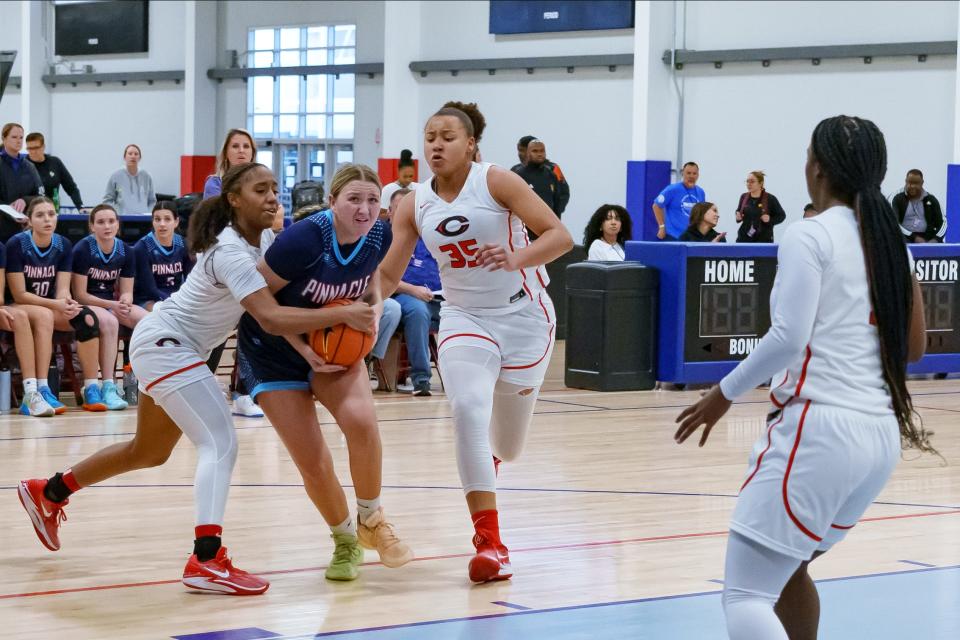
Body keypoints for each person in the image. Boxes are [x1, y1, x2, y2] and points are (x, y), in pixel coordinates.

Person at [17, 162, 365, 595]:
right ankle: (206, 559)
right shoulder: (231, 252)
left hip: (170, 345)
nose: (273, 196)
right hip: (168, 344)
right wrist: (347, 312)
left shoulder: (268, 240)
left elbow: (270, 311)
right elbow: (271, 318)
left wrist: (308, 349)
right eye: (261, 189)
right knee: (220, 442)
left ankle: (48, 491)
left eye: (275, 188)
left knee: (147, 452)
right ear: (235, 200)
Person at [674, 115, 932, 639]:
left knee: (746, 596)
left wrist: (722, 394)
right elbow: (917, 348)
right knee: (789, 567)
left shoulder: (808, 234)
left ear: (817, 168)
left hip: (819, 431)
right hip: (878, 438)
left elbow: (788, 338)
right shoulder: (891, 243)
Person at [378, 101, 574, 583]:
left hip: (525, 318)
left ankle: (486, 461)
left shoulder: (497, 181)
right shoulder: (413, 202)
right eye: (430, 136)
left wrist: (515, 256)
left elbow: (561, 236)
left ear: (470, 144)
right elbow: (389, 271)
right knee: (466, 407)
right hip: (465, 317)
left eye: (447, 136)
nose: (436, 144)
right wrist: (355, 310)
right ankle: (490, 543)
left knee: (508, 446)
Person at [237, 163, 413, 582]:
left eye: (372, 200)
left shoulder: (379, 234)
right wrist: (304, 347)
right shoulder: (302, 240)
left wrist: (370, 305)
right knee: (314, 460)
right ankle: (345, 541)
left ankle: (372, 520)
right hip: (274, 349)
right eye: (353, 198)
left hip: (331, 346)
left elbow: (373, 276)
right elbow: (260, 306)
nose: (364, 208)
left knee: (363, 424)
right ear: (332, 202)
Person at [6, 197, 103, 414]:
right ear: (29, 220)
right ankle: (40, 388)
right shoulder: (17, 244)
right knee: (45, 315)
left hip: (49, 305)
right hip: (20, 304)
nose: (47, 219)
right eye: (40, 215)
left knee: (86, 318)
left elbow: (62, 287)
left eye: (51, 214)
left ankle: (91, 387)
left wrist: (65, 302)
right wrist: (56, 304)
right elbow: (20, 294)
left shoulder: (63, 244)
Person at [71, 204, 146, 411]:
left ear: (118, 225)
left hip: (110, 303)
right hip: (88, 303)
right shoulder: (83, 249)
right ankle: (108, 385)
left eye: (111, 221)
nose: (107, 226)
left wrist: (125, 299)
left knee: (148, 320)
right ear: (92, 226)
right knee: (110, 322)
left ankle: (145, 381)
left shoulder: (125, 250)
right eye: (101, 222)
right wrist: (113, 304)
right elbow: (80, 294)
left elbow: (127, 289)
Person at [133, 201, 193, 311]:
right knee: (167, 312)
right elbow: (149, 289)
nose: (162, 224)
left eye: (167, 219)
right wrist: (174, 302)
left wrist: (184, 300)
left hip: (177, 298)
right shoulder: (142, 247)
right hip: (148, 300)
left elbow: (191, 279)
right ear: (152, 222)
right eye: (157, 219)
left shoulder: (184, 244)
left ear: (176, 222)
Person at [0, 123, 43, 242]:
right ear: (4, 138)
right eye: (14, 137)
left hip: (26, 230)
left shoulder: (30, 167)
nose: (18, 141)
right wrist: (11, 213)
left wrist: (25, 200)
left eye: (21, 137)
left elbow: (41, 197)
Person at [24, 132, 84, 211]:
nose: (33, 152)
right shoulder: (23, 165)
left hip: (52, 210)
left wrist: (80, 206)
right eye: (29, 148)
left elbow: (71, 188)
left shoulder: (55, 162)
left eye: (36, 148)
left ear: (43, 147)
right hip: (30, 212)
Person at [511, 135, 569, 213]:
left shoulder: (553, 168)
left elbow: (564, 193)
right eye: (519, 150)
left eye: (522, 150)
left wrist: (555, 214)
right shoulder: (515, 171)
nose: (520, 154)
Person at [652, 162, 705, 241]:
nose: (691, 176)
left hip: (692, 237)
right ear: (682, 173)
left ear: (698, 175)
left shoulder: (700, 192)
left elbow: (702, 214)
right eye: (688, 173)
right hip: (673, 236)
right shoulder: (672, 189)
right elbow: (656, 206)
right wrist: (662, 227)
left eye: (694, 173)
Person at [891, 169, 945, 243]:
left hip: (928, 241)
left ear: (922, 183)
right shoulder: (896, 198)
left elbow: (943, 223)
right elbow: (893, 222)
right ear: (906, 181)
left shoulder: (931, 199)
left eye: (916, 183)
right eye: (909, 183)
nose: (912, 186)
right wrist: (913, 237)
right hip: (905, 240)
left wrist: (936, 239)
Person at [102, 144, 156, 215]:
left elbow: (152, 201)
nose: (133, 156)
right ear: (125, 157)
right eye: (130, 154)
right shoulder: (116, 176)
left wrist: (148, 213)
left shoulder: (147, 176)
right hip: (122, 219)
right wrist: (117, 213)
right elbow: (107, 200)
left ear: (139, 158)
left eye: (136, 154)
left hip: (143, 220)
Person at [734, 171, 786, 243]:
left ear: (761, 183)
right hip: (744, 239)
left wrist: (770, 220)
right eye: (747, 181)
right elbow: (739, 211)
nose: (749, 184)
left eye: (752, 181)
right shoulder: (743, 197)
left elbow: (781, 216)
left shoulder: (770, 198)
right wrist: (738, 216)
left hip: (763, 241)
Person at [204, 129, 256, 199]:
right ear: (226, 153)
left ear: (252, 153)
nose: (241, 150)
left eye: (246, 146)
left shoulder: (262, 181)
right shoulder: (215, 184)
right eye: (235, 146)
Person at [380, 149, 418, 219]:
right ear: (398, 171)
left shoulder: (418, 188)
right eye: (405, 176)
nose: (408, 180)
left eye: (411, 176)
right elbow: (380, 215)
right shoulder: (388, 189)